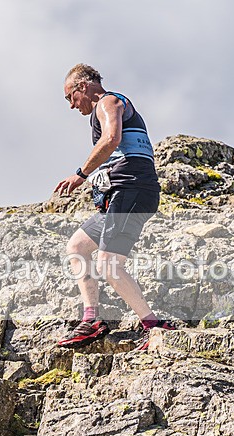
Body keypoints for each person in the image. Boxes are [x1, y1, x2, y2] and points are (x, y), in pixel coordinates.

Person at [54, 63, 175, 351]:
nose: (71, 106)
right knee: (77, 247)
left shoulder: (109, 102)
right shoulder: (98, 112)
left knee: (108, 263)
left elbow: (112, 139)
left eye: (70, 97)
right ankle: (92, 318)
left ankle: (153, 326)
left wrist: (81, 174)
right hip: (119, 195)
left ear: (83, 86)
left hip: (133, 189)